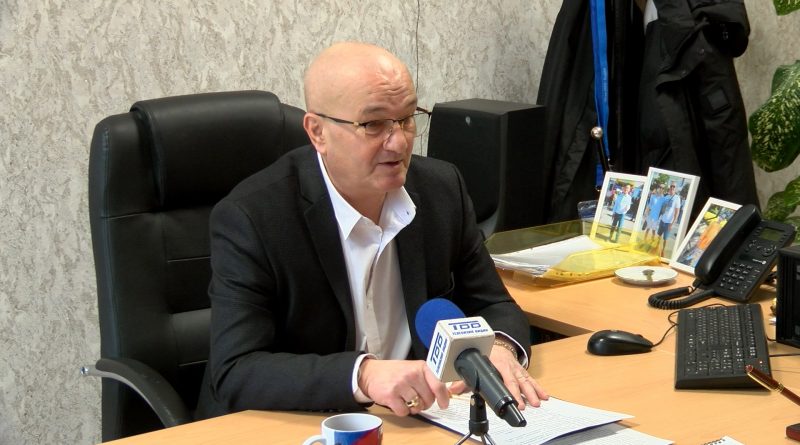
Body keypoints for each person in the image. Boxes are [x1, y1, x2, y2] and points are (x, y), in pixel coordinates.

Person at [195, 42, 548, 420]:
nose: (399, 142)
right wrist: (362, 375)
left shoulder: (441, 190)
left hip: (418, 418)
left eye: (407, 118)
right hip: (300, 422)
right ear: (318, 132)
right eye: (373, 124)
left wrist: (499, 348)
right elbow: (236, 370)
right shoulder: (253, 217)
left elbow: (493, 304)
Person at [657, 183, 682, 257]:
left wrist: (672, 223)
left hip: (669, 223)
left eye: (673, 188)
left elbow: (677, 212)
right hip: (662, 220)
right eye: (671, 188)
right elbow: (661, 206)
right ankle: (656, 247)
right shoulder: (666, 196)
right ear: (669, 189)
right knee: (659, 236)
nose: (672, 189)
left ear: (675, 189)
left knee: (665, 238)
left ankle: (663, 250)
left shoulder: (677, 198)